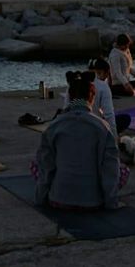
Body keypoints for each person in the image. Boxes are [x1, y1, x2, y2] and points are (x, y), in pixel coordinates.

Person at [34, 73, 125, 210]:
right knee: (122, 169)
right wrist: (110, 204)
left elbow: (46, 166)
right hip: (92, 202)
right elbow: (110, 170)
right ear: (92, 98)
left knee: (36, 163)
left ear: (69, 97)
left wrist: (40, 199)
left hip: (58, 200)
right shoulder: (102, 127)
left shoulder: (54, 126)